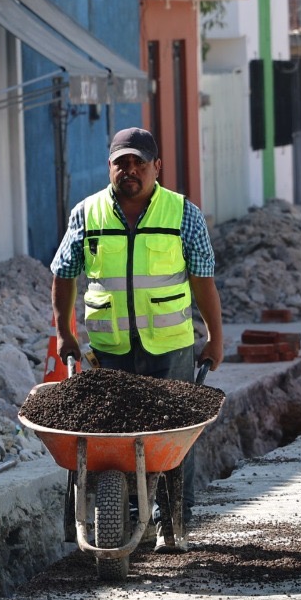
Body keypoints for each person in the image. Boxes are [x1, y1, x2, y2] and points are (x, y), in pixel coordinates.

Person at [49, 126, 224, 553]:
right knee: (113, 441)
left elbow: (203, 281)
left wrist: (215, 336)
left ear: (156, 167)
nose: (130, 171)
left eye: (138, 163)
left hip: (170, 349)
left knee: (172, 438)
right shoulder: (86, 214)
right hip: (110, 351)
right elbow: (64, 274)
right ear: (109, 167)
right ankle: (126, 517)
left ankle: (171, 521)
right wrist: (64, 332)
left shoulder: (183, 214)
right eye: (121, 163)